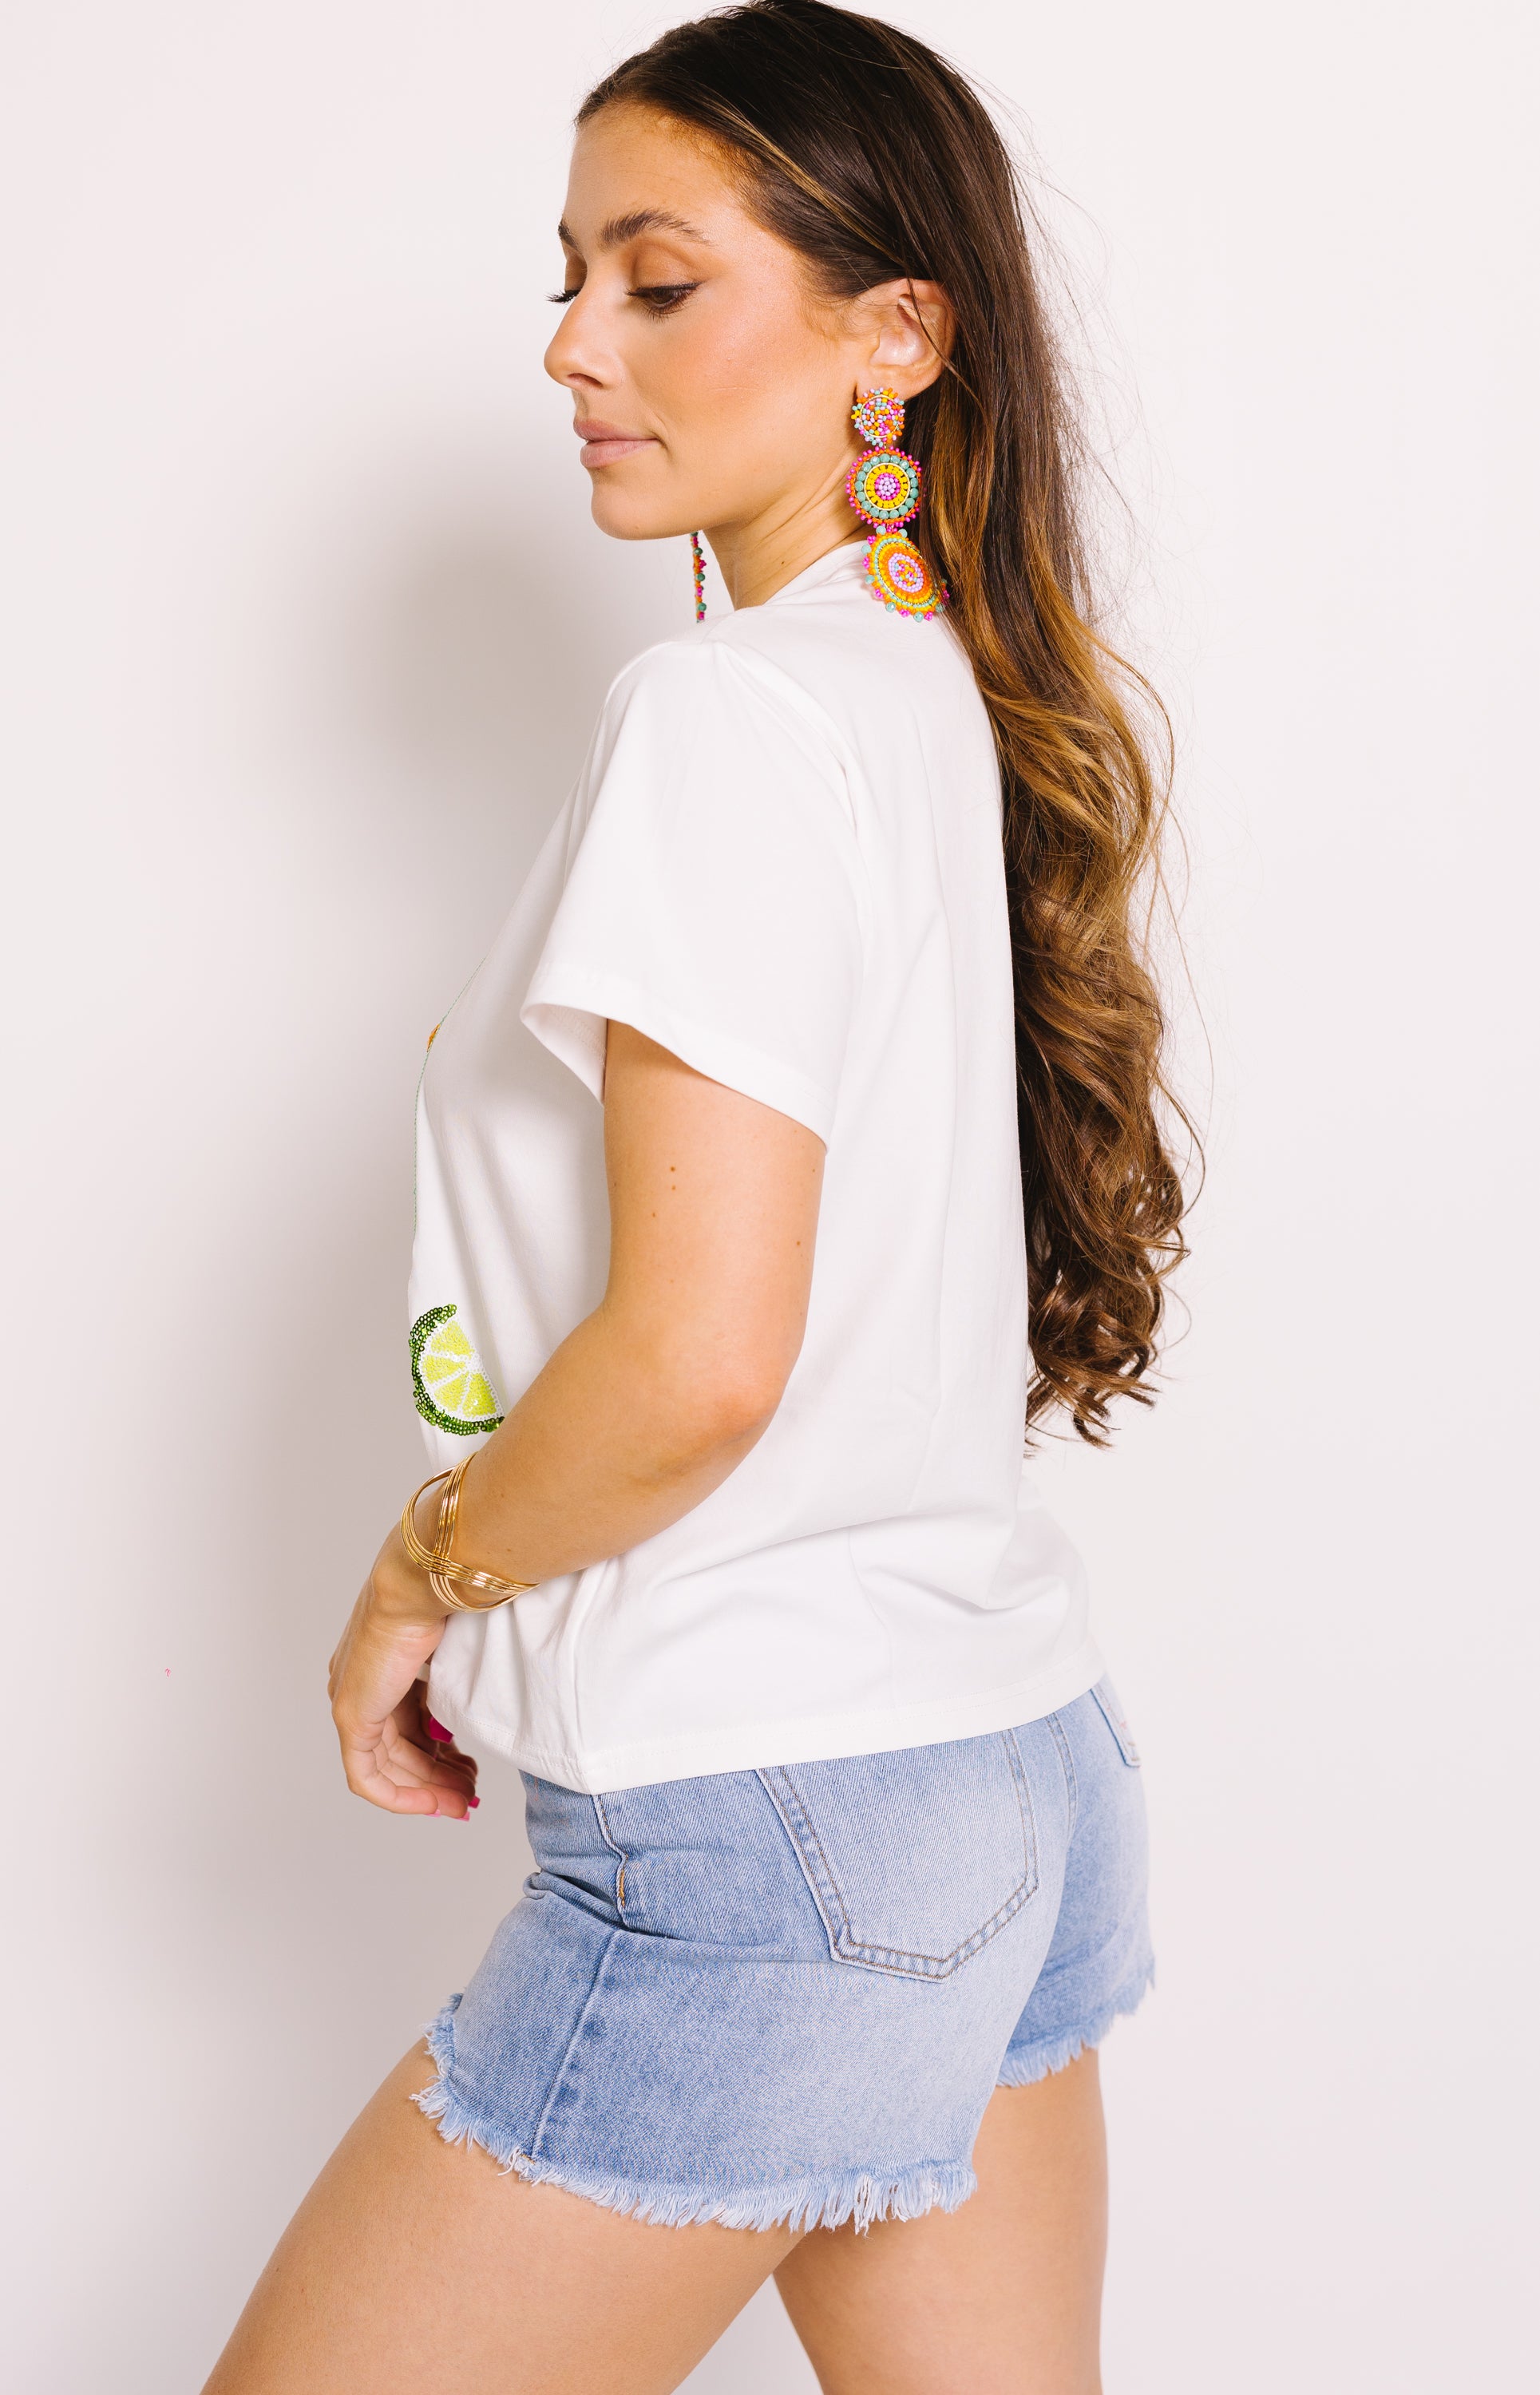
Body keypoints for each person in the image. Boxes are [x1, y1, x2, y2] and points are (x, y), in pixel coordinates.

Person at [205, 5, 1188, 2388]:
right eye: (567, 280)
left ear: (894, 338)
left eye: (658, 283)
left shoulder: (728, 718)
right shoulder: (937, 692)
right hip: (1002, 1760)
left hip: (764, 1826)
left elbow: (700, 1360)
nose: (572, 345)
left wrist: (421, 1572)